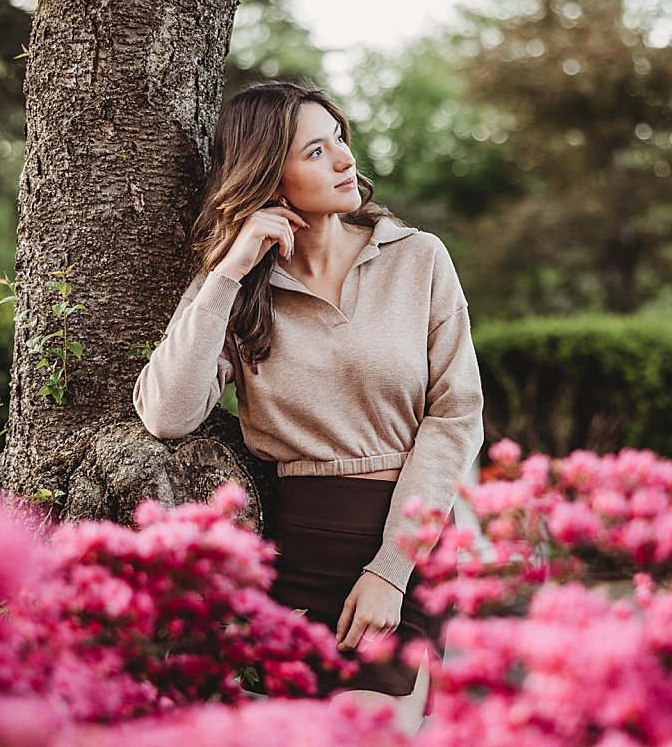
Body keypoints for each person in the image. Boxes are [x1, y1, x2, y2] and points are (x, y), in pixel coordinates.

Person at [132, 81, 484, 732]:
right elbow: (167, 412)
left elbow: (455, 416)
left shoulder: (417, 258)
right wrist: (229, 270)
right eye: (316, 151)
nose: (346, 160)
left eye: (340, 139)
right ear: (269, 174)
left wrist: (391, 568)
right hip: (300, 544)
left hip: (407, 539)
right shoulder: (239, 284)